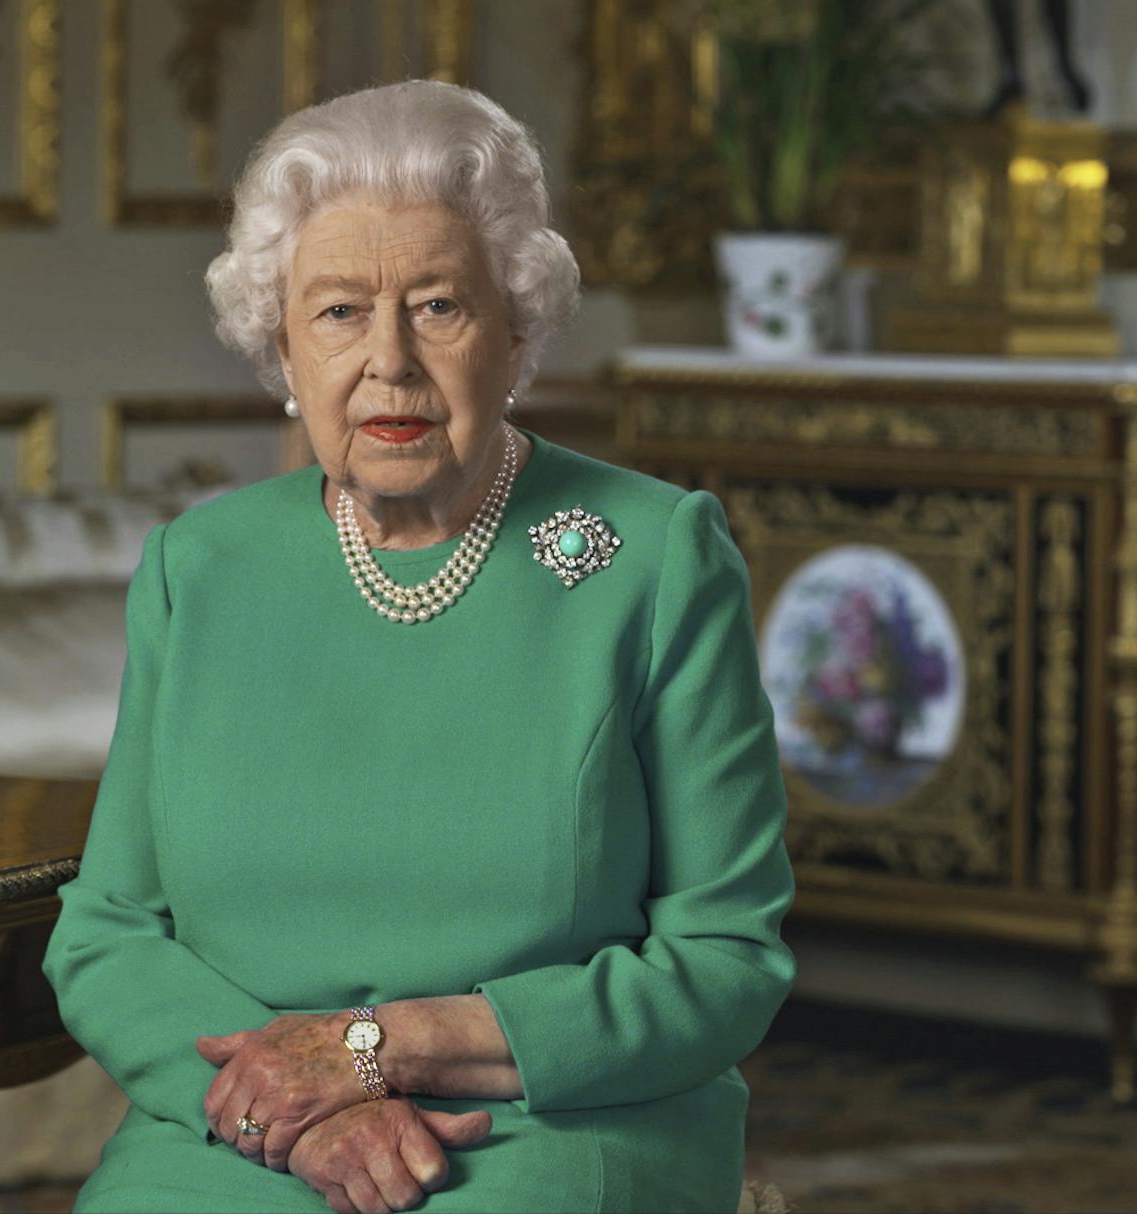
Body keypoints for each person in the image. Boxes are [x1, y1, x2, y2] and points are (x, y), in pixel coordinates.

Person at [42, 80, 796, 1214]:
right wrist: (306, 1109)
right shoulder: (200, 569)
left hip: (547, 1126)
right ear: (281, 345)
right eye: (339, 312)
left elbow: (729, 959)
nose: (388, 360)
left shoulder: (652, 558)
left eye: (438, 306)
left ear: (516, 331)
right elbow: (107, 932)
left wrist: (374, 1048)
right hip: (244, 1131)